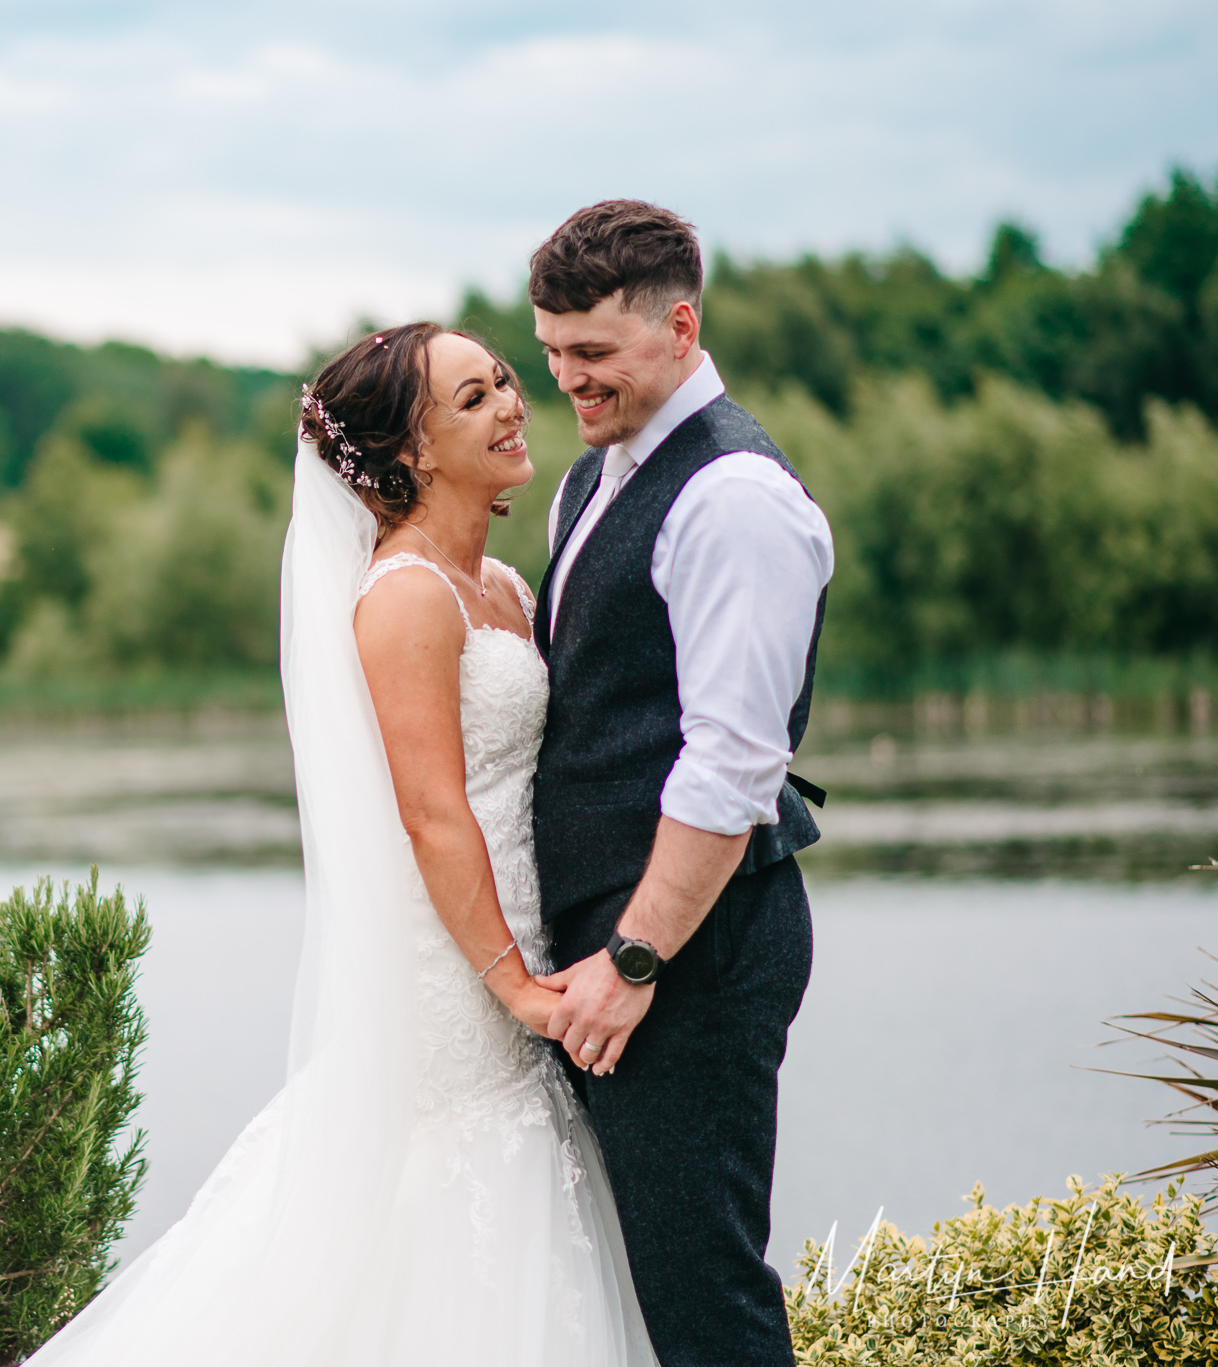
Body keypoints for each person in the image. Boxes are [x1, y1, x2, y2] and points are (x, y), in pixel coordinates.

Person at [21, 322, 656, 1364]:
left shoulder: (499, 586)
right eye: (471, 398)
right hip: (451, 968)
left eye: (501, 379)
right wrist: (515, 985)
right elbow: (430, 813)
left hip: (524, 928)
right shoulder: (405, 594)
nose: (509, 403)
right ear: (410, 453)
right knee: (443, 1201)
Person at [525, 200, 835, 1367]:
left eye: (592, 353)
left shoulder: (731, 499)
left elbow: (729, 765)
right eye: (551, 353)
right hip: (617, 946)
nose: (566, 381)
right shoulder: (593, 478)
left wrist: (634, 956)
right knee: (637, 1278)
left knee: (702, 1293)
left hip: (687, 952)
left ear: (679, 324)